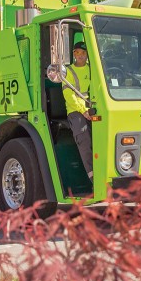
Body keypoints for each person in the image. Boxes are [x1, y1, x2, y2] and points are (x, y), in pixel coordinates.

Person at [63, 41, 93, 181]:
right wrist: (83, 110)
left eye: (82, 53)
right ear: (74, 54)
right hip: (75, 110)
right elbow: (68, 95)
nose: (79, 55)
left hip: (93, 107)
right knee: (84, 138)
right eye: (77, 52)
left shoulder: (92, 69)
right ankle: (92, 175)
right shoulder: (68, 71)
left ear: (87, 55)